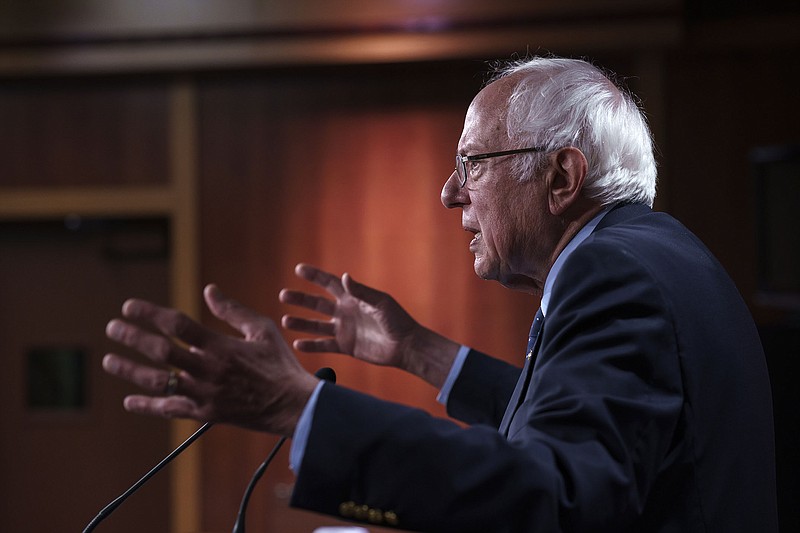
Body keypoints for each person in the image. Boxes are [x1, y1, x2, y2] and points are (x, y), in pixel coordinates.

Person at [102, 56, 778, 532]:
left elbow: (559, 496)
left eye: (472, 163)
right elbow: (594, 433)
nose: (450, 192)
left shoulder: (612, 275)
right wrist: (419, 351)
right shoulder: (661, 253)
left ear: (562, 177)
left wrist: (299, 405)